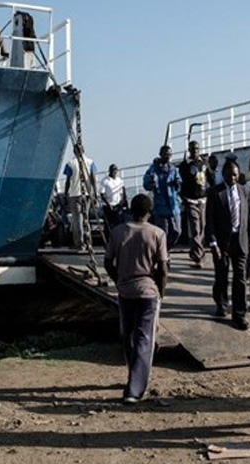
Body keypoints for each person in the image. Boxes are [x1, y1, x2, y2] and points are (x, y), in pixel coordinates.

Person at [104, 194, 169, 405]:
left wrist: (118, 280)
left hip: (125, 292)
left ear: (131, 210)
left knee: (128, 336)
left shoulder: (117, 232)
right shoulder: (157, 233)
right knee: (144, 338)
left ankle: (133, 376)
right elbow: (163, 268)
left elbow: (107, 262)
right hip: (147, 292)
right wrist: (161, 291)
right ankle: (134, 390)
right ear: (149, 212)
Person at [206, 159, 250, 330]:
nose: (232, 178)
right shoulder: (214, 192)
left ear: (238, 175)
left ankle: (239, 314)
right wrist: (213, 243)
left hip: (241, 240)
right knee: (222, 275)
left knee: (240, 277)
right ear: (223, 175)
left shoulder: (246, 192)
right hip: (222, 242)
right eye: (229, 175)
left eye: (234, 175)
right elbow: (210, 219)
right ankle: (221, 303)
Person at [59, 144, 98, 251]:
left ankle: (79, 243)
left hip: (75, 194)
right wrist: (95, 193)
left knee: (77, 220)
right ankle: (88, 242)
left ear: (74, 151)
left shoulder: (70, 164)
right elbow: (93, 179)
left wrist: (65, 194)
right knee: (86, 219)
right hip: (87, 194)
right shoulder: (90, 162)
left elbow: (68, 181)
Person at [143, 145, 182, 251]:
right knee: (162, 233)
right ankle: (163, 253)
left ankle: (166, 249)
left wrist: (178, 183)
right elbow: (146, 185)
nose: (167, 156)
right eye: (165, 154)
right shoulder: (153, 169)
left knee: (177, 231)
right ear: (160, 154)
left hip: (174, 206)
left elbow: (179, 183)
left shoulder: (173, 169)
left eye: (169, 154)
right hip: (161, 207)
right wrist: (150, 181)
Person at [179, 141, 210, 268]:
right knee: (195, 227)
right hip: (190, 200)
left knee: (202, 227)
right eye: (192, 149)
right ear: (189, 150)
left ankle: (196, 250)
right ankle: (199, 256)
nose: (195, 151)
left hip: (203, 200)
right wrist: (183, 198)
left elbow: (210, 178)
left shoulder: (204, 163)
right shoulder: (184, 165)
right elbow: (181, 182)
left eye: (197, 148)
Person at [100, 164, 128, 241]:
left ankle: (118, 240)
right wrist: (108, 204)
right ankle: (108, 241)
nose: (114, 172)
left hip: (117, 205)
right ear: (110, 171)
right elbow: (102, 194)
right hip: (108, 206)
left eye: (115, 170)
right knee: (108, 225)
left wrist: (124, 201)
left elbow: (123, 191)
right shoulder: (105, 181)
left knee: (118, 223)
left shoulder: (119, 180)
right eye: (113, 170)